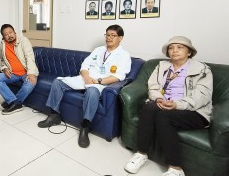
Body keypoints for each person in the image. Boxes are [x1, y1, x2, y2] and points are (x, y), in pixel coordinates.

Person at [124, 36, 212, 176]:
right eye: (171, 48)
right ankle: (141, 154)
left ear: (189, 52)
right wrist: (158, 98)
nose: (174, 50)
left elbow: (202, 96)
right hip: (164, 104)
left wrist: (177, 104)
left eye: (180, 47)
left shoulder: (202, 70)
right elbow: (152, 86)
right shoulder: (162, 66)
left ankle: (176, 169)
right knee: (148, 107)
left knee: (163, 116)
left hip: (193, 110)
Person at [37, 25, 131, 148]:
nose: (109, 38)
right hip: (86, 79)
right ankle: (54, 115)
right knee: (58, 82)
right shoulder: (98, 50)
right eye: (107, 35)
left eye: (113, 35)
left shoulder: (123, 55)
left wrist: (98, 81)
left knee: (92, 92)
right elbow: (85, 65)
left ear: (120, 38)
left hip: (102, 84)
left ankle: (85, 127)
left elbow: (119, 76)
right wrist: (86, 77)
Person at [0, 24, 39, 114]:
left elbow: (30, 56)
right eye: (6, 34)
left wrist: (31, 73)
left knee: (30, 83)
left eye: (11, 32)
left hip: (26, 72)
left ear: (14, 32)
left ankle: (14, 102)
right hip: (13, 73)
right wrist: (5, 68)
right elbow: (2, 60)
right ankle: (13, 102)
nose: (9, 35)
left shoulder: (23, 41)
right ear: (3, 37)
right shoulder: (2, 45)